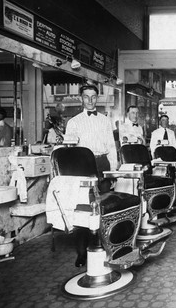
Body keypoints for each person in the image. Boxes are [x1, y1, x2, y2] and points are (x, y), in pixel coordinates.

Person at [64, 84, 117, 267]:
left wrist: (113, 170)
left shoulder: (105, 120)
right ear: (81, 98)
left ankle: (102, 247)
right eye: (86, 97)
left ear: (97, 98)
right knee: (83, 209)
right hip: (82, 165)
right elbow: (69, 149)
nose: (90, 100)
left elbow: (111, 146)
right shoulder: (73, 122)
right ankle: (81, 253)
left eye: (93, 96)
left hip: (102, 163)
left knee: (103, 206)